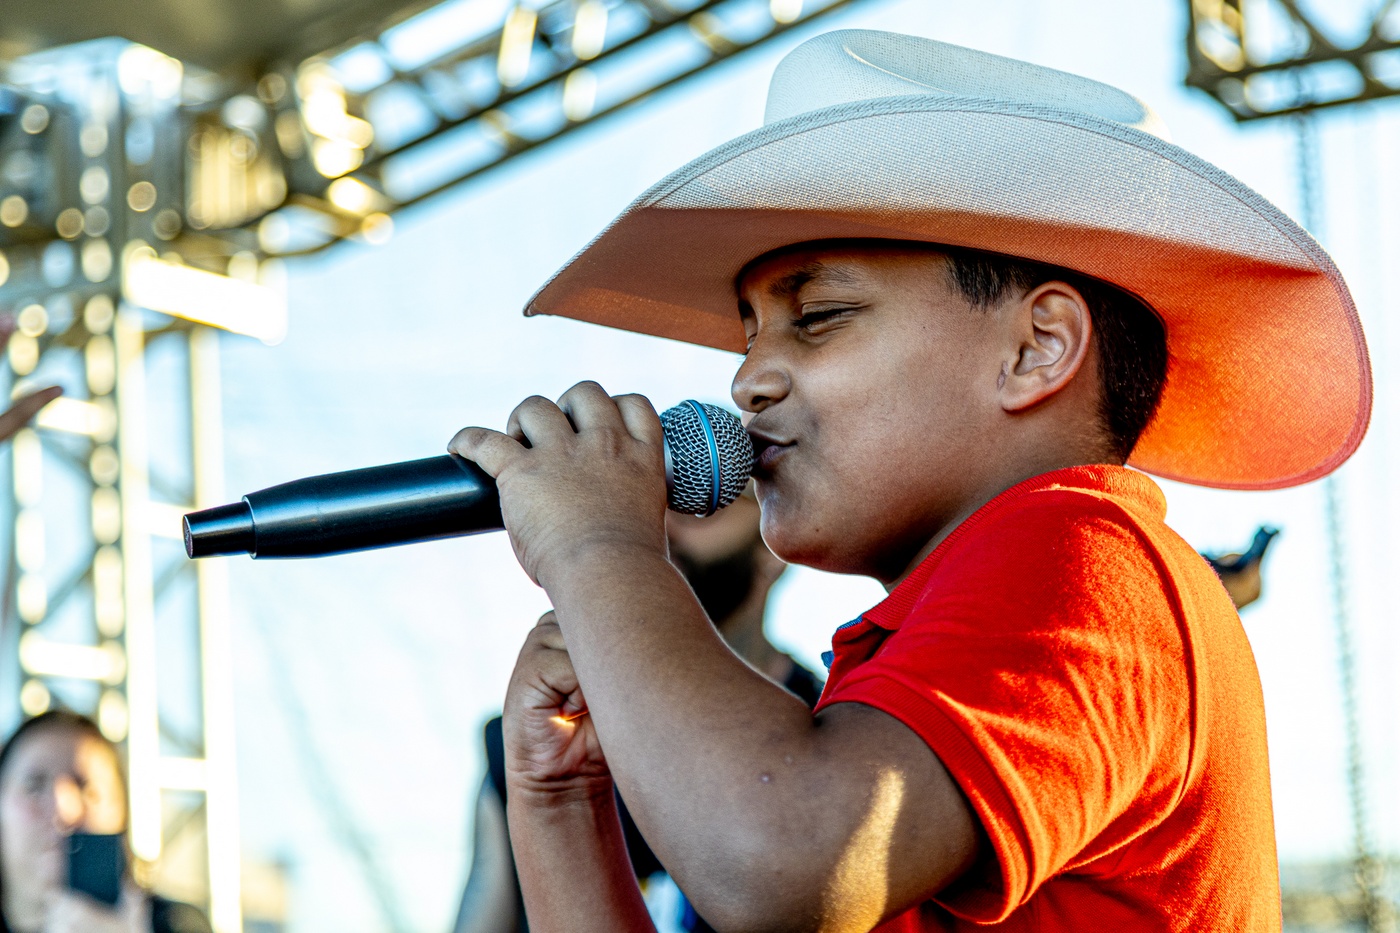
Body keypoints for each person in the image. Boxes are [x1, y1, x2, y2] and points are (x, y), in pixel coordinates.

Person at [448, 31, 1370, 932]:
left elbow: (783, 857)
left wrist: (598, 548)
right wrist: (561, 796)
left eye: (819, 315)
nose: (748, 380)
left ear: (1036, 348)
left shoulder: (1090, 557)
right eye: (749, 335)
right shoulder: (907, 661)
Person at [453, 490, 822, 933]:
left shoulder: (835, 728)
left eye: (699, 503)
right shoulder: (542, 736)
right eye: (650, 501)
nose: (661, 525)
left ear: (774, 544)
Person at [0, 711, 212, 933]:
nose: (64, 811)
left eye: (86, 788)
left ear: (123, 812)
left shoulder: (177, 923)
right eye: (34, 786)